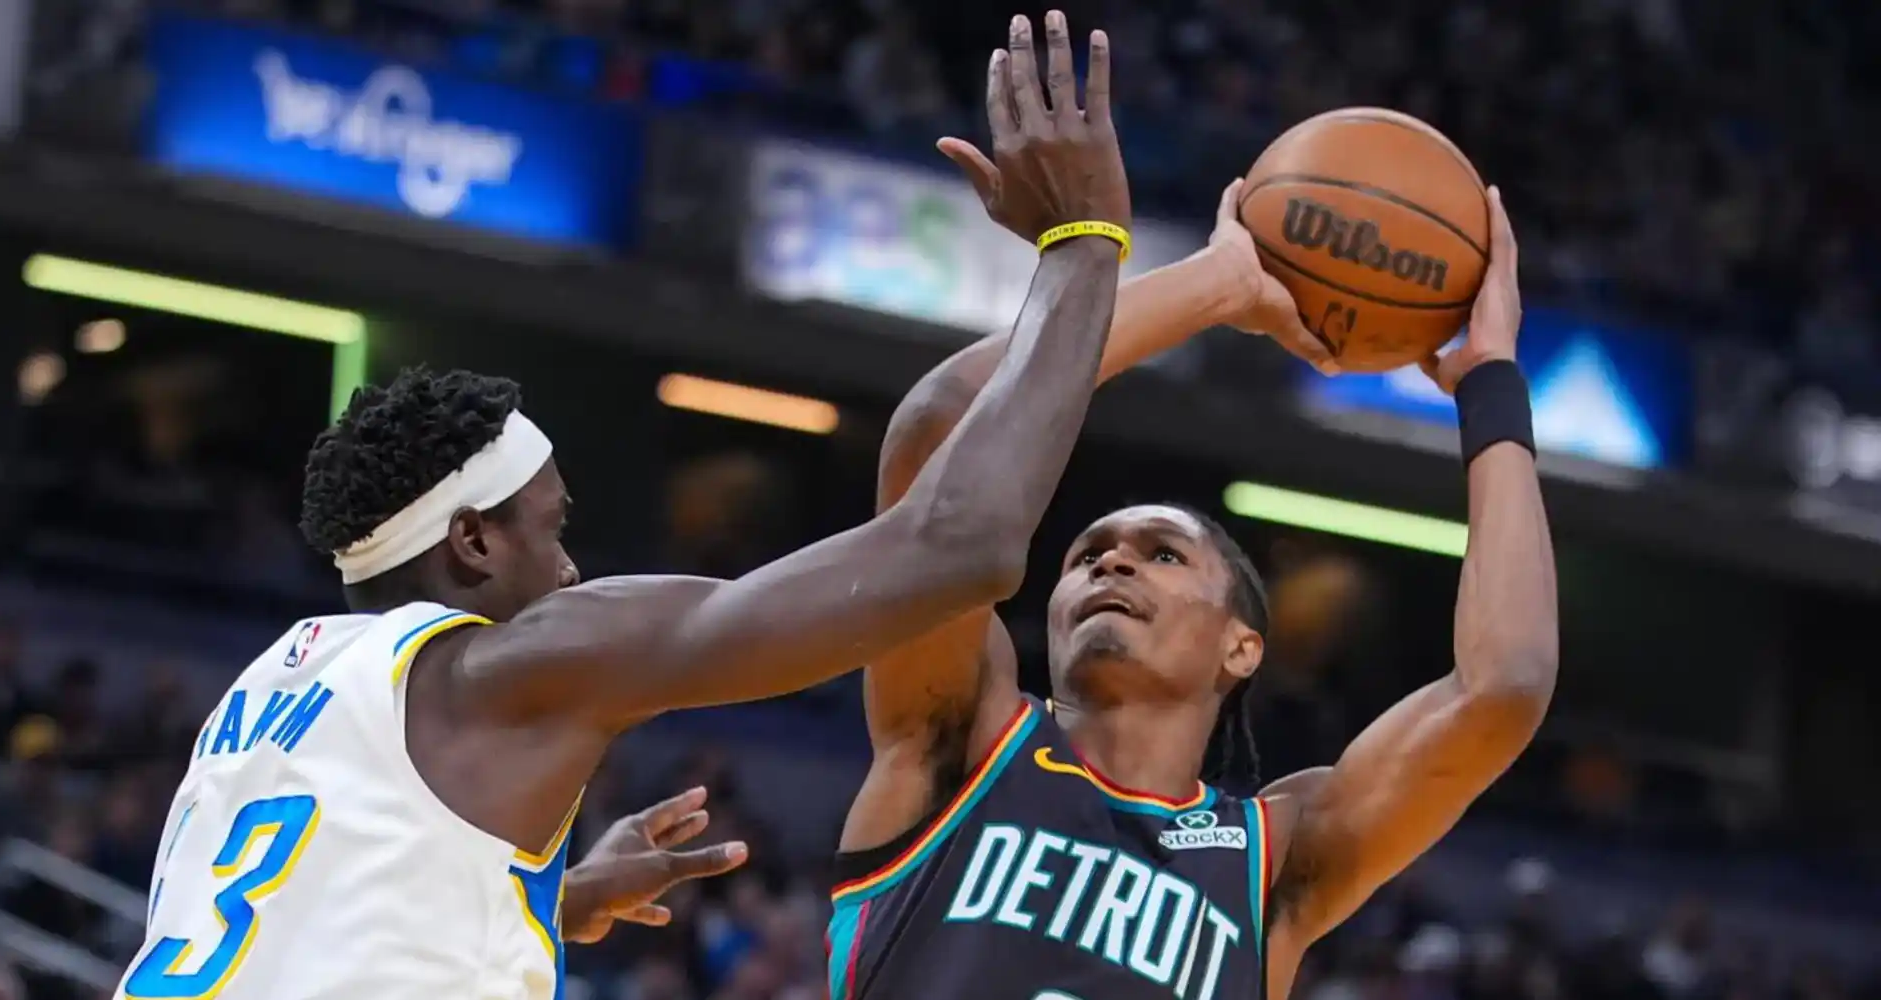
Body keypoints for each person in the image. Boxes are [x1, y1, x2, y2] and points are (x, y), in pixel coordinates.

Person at [116, 16, 1136, 998]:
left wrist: (539, 899)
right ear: (470, 540)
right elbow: (961, 547)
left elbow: (302, 926)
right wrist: (1082, 244)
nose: (566, 569)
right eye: (549, 528)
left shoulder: (270, 690)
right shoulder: (511, 665)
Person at [827, 15, 1557, 1000]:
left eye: (1161, 554)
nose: (1109, 562)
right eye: (1087, 553)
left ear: (1241, 646)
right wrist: (1219, 283)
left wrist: (1488, 384)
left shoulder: (1275, 857)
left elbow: (1502, 686)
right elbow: (939, 427)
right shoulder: (956, 734)